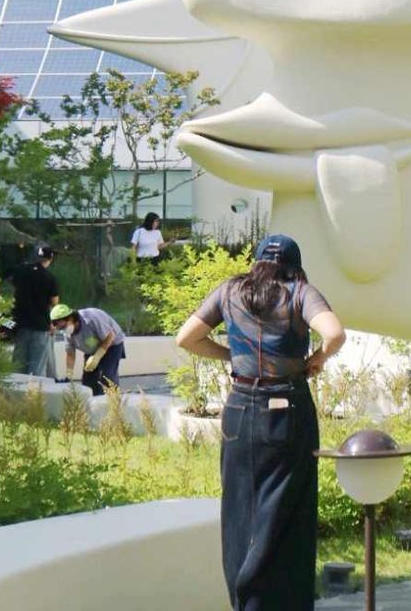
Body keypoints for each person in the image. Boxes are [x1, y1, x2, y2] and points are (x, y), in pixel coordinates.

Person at [176, 234, 346, 611]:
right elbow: (335, 334)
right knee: (289, 509)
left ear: (256, 262)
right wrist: (317, 359)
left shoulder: (229, 290)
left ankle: (245, 600)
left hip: (239, 408)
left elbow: (186, 338)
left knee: (239, 506)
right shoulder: (300, 292)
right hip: (288, 408)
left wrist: (232, 356)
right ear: (295, 266)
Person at [50, 303, 126, 396]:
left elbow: (110, 336)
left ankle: (113, 401)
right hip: (92, 349)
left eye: (64, 327)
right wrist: (69, 375)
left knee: (107, 376)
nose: (64, 330)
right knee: (88, 380)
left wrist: (97, 356)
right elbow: (70, 353)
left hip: (112, 344)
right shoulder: (68, 333)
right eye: (60, 329)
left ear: (71, 318)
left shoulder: (90, 319)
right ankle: (94, 401)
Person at [10, 244, 59, 377]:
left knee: (18, 365)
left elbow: (14, 290)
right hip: (41, 326)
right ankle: (33, 390)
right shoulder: (50, 278)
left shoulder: (21, 272)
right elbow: (54, 303)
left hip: (21, 324)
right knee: (36, 368)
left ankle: (16, 388)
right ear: (51, 258)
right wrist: (53, 323)